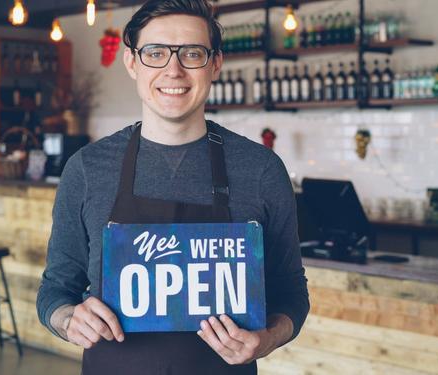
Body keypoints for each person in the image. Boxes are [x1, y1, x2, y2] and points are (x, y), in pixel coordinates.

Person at [36, 0, 309, 373]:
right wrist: (69, 319)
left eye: (192, 53)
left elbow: (291, 293)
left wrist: (267, 338)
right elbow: (55, 291)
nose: (174, 70)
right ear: (132, 63)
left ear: (215, 64)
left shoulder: (261, 170)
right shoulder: (86, 169)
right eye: (156, 53)